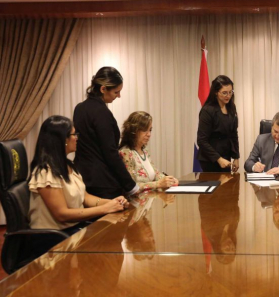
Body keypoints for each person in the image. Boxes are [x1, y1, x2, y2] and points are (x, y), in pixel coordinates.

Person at [28, 116, 129, 244]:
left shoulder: (68, 165)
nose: (76, 138)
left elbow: (85, 198)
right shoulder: (45, 172)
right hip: (54, 241)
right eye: (73, 134)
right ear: (62, 139)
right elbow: (61, 214)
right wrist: (105, 209)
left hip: (72, 232)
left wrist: (112, 202)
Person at [73, 67, 139, 199]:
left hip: (82, 176)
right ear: (103, 89)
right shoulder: (102, 113)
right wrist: (131, 185)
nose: (118, 96)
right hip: (102, 181)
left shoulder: (79, 108)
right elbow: (110, 152)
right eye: (116, 92)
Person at [119, 111, 178, 191]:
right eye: (144, 130)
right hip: (135, 202)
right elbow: (132, 186)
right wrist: (158, 184)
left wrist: (169, 180)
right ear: (133, 131)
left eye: (150, 130)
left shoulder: (144, 151)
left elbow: (155, 173)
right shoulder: (125, 152)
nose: (149, 134)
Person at [197, 75, 239, 172]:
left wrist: (236, 157)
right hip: (210, 159)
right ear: (216, 92)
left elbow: (234, 134)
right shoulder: (207, 110)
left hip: (226, 157)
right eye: (224, 93)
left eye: (230, 92)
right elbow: (202, 140)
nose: (228, 96)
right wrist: (218, 159)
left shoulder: (231, 107)